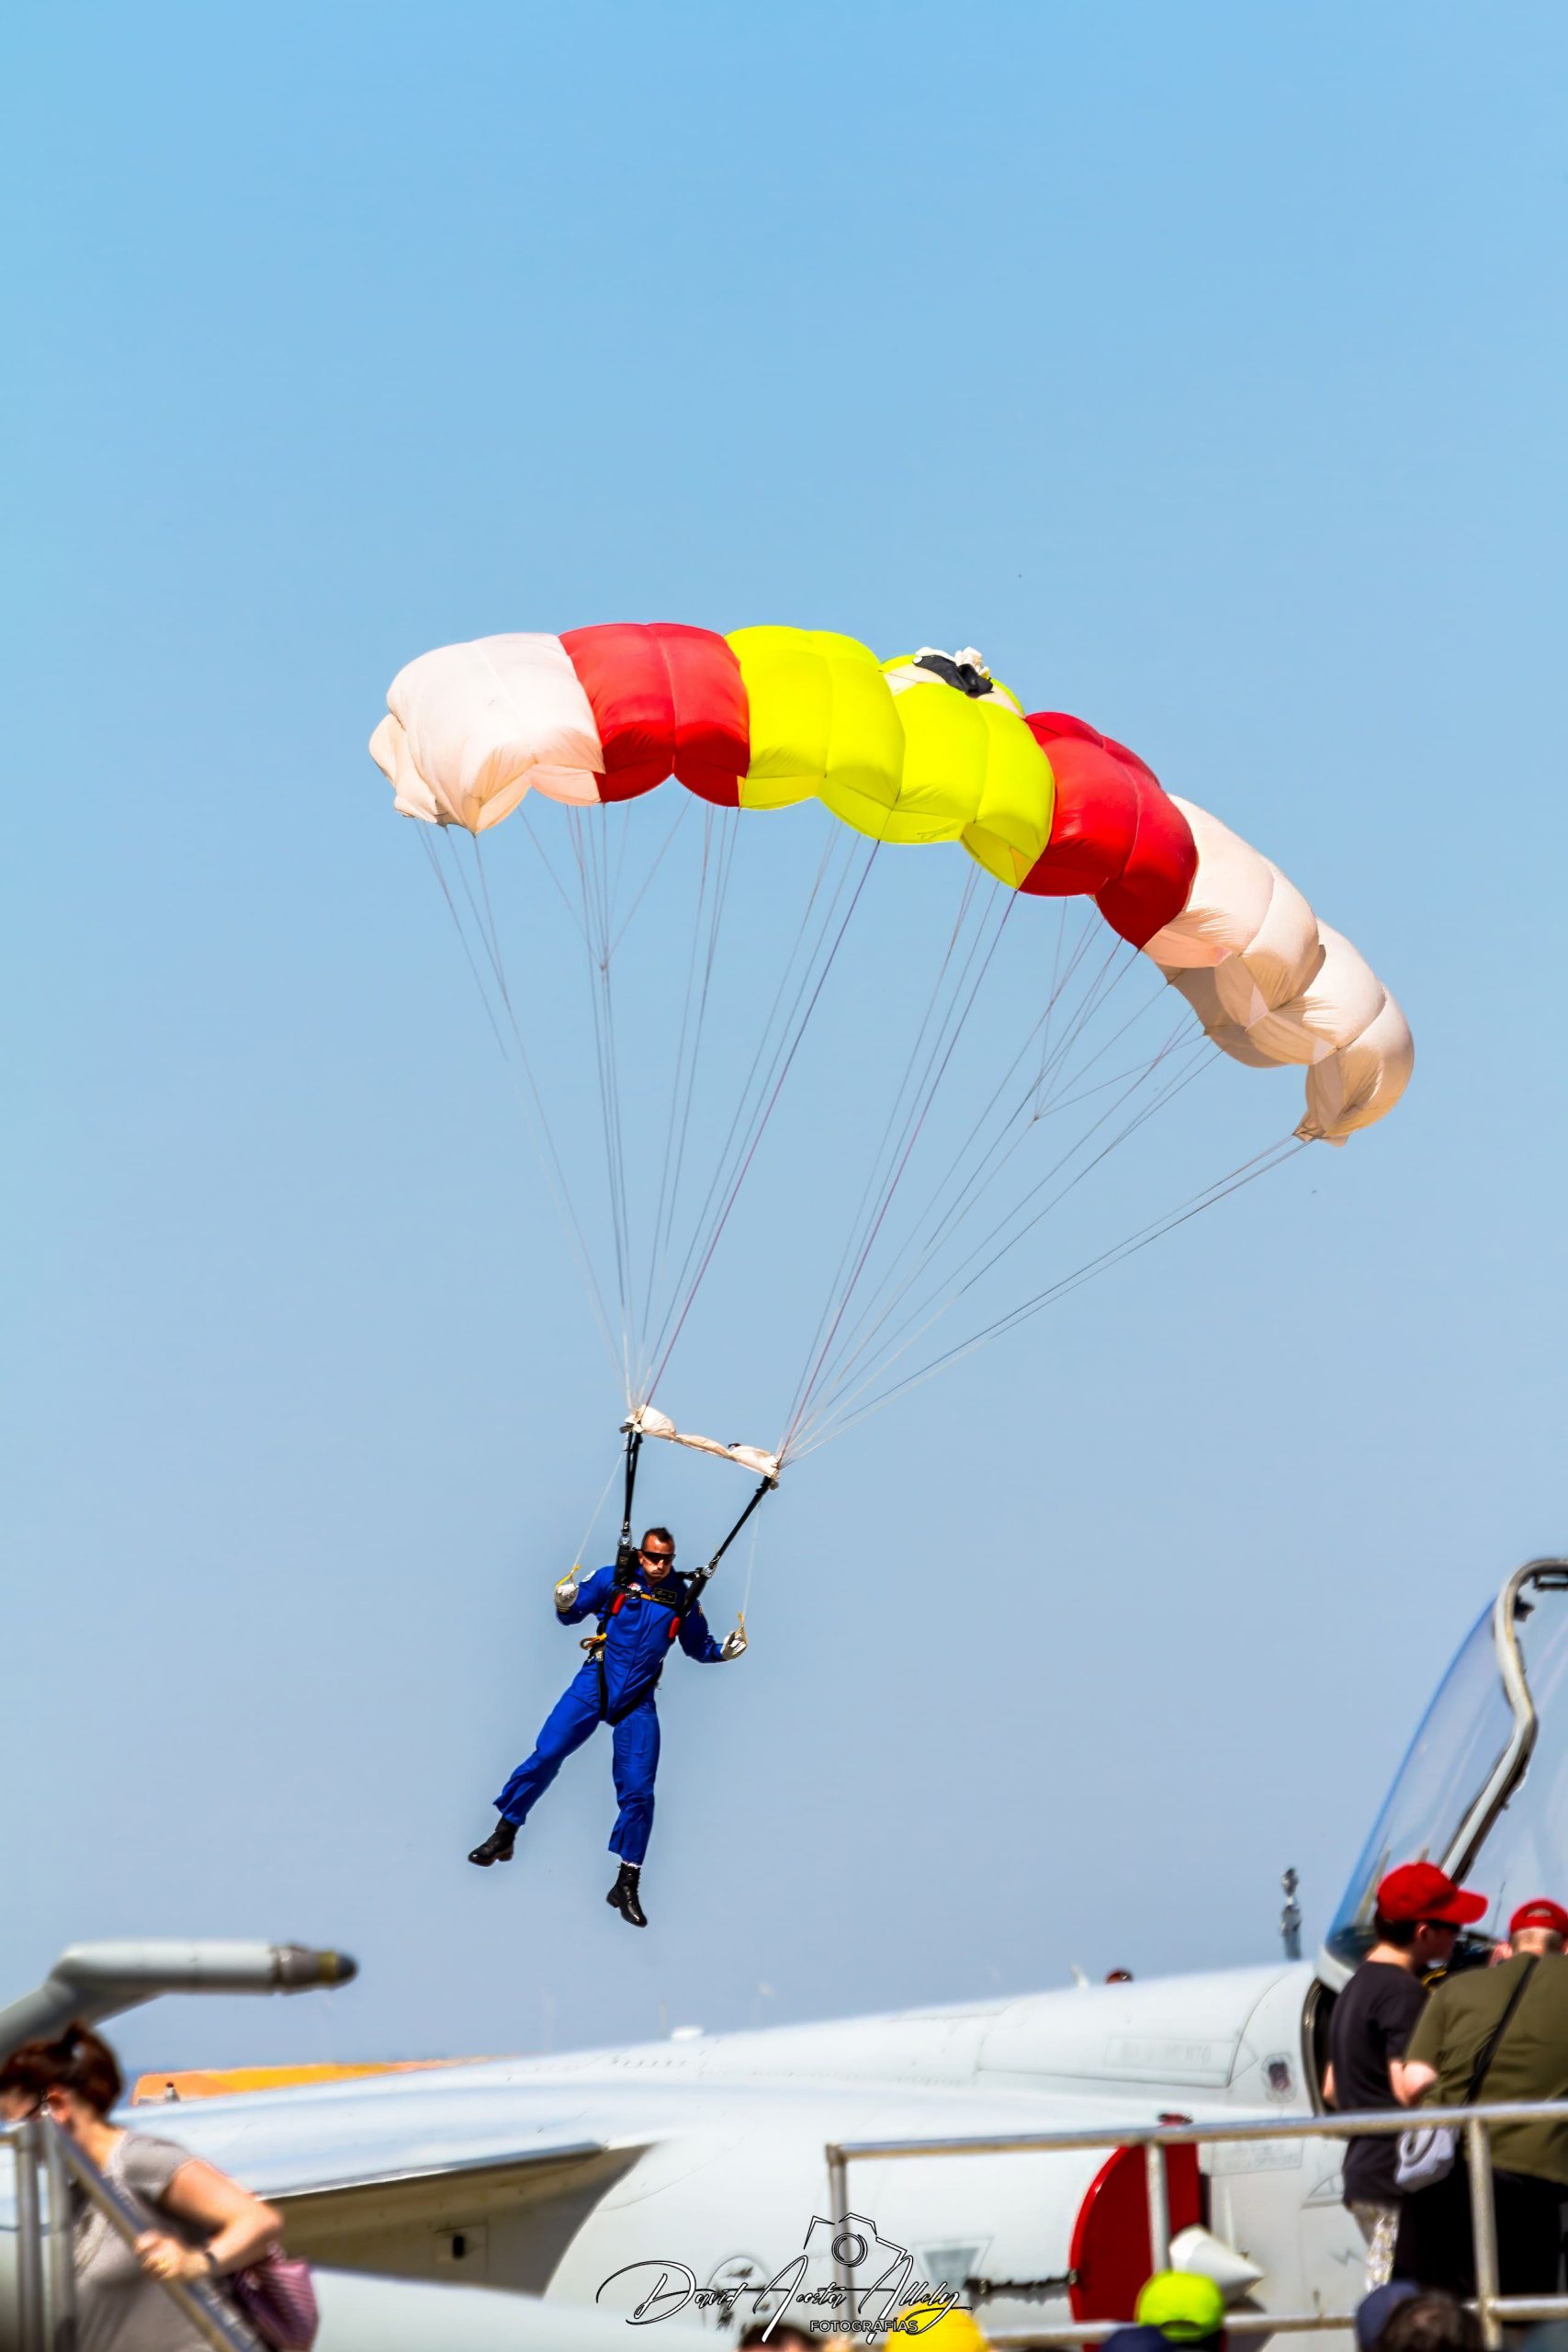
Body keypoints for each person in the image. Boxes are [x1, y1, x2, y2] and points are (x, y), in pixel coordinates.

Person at [468, 1525, 747, 1926]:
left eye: (666, 1559)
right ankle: (505, 1832)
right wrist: (564, 1602)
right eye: (653, 1557)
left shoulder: (682, 1598)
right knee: (547, 1753)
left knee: (639, 1791)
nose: (659, 1565)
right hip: (595, 1682)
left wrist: (723, 1652)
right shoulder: (612, 1578)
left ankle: (627, 1882)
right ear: (640, 1555)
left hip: (638, 1699)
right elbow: (570, 1616)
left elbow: (698, 1647)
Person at [0, 2024, 285, 2352]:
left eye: (19, 2126)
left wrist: (194, 2262)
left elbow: (258, 2221)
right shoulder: (79, 2194)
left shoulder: (138, 2161)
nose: (21, 2146)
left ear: (57, 2105)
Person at [1324, 1861, 1487, 2290]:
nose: (1458, 1937)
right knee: (1406, 2303)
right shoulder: (1402, 1992)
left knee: (1390, 2289)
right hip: (1396, 2173)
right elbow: (1408, 2086)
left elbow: (1332, 2088)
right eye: (1453, 1926)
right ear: (1423, 1932)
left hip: (1362, 2169)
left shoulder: (1356, 1986)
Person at [1395, 1896, 1568, 2298]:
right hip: (1535, 2187)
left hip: (1448, 2178)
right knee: (1522, 2317)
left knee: (1438, 2314)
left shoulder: (1455, 1988)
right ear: (1565, 1946)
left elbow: (1415, 2081)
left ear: (1509, 1945)